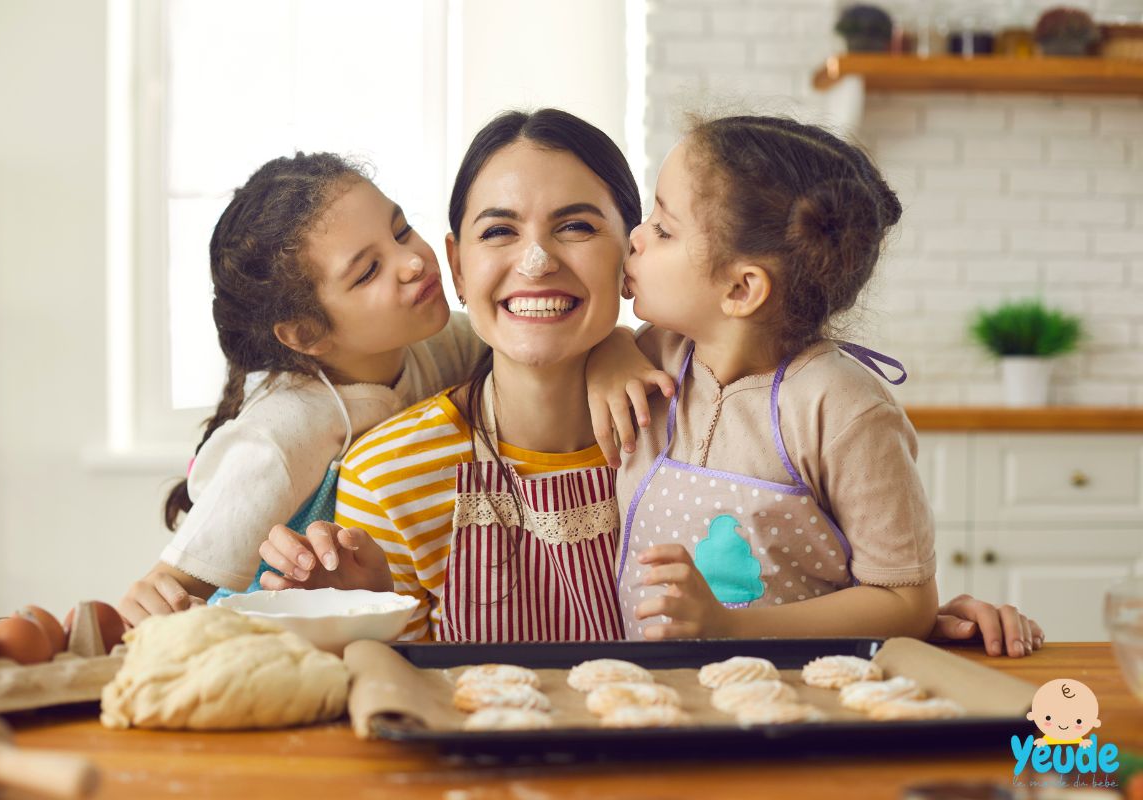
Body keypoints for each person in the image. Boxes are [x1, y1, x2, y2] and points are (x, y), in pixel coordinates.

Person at [595, 113, 1043, 655]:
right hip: (659, 701)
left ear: (741, 288)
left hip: (801, 701)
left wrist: (729, 628)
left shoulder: (842, 408)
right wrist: (608, 351)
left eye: (663, 229)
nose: (636, 237)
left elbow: (906, 602)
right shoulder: (654, 354)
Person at [257, 109, 639, 641]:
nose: (535, 262)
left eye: (576, 226)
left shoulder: (698, 431)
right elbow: (401, 703)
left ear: (633, 254)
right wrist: (363, 628)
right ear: (457, 267)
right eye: (499, 230)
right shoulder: (386, 480)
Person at [117, 153, 486, 625]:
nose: (413, 261)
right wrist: (150, 601)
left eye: (400, 230)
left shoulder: (442, 342)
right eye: (368, 271)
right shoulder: (279, 432)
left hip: (394, 633)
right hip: (284, 651)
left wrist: (612, 351)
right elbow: (174, 586)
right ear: (306, 333)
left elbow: (541, 356)